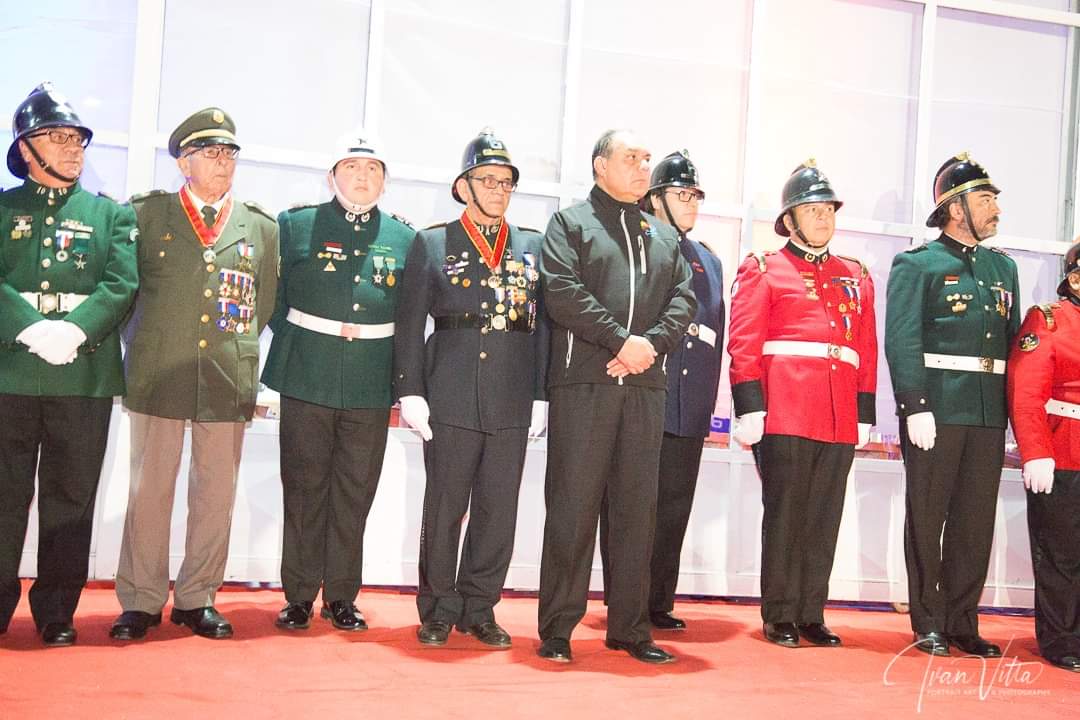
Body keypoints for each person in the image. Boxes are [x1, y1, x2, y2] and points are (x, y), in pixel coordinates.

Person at [109, 107, 279, 641]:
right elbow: (125, 295)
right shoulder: (146, 215)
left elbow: (261, 306)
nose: (222, 162)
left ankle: (197, 596)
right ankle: (141, 600)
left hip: (226, 374)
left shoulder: (260, 226)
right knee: (150, 491)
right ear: (184, 162)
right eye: (210, 153)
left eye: (229, 153)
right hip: (160, 370)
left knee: (215, 494)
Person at [537, 129, 695, 664]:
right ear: (600, 165)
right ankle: (558, 629)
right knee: (572, 509)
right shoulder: (570, 224)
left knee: (636, 512)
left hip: (644, 386)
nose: (642, 167)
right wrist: (619, 340)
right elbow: (562, 291)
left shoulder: (664, 236)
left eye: (646, 159)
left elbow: (683, 301)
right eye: (631, 158)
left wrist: (647, 346)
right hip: (584, 382)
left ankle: (630, 628)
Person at [394, 128, 548, 649]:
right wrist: (411, 390)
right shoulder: (433, 242)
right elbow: (410, 323)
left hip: (511, 394)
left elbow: (543, 326)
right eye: (487, 180)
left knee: (497, 510)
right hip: (451, 392)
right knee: (444, 508)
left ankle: (480, 607)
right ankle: (439, 607)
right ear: (463, 187)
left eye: (506, 182)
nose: (498, 190)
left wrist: (541, 393)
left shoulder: (532, 246)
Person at [0, 83, 138, 646]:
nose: (72, 147)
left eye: (77, 138)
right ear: (26, 148)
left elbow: (121, 282)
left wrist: (75, 330)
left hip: (83, 374)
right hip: (11, 371)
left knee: (71, 499)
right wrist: (30, 327)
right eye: (57, 137)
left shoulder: (111, 215)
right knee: (3, 497)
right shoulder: (3, 208)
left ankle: (56, 609)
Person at [262, 132, 414, 632]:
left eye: (373, 170)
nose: (362, 177)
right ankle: (299, 595)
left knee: (355, 491)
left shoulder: (404, 238)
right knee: (304, 489)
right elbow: (273, 299)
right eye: (351, 167)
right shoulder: (296, 225)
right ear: (332, 177)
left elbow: (409, 314)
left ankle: (342, 596)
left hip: (370, 378)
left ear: (385, 182)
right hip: (308, 372)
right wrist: (300, 342)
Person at [727, 160, 876, 648]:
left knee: (824, 518)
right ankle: (780, 614)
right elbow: (744, 341)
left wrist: (865, 412)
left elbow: (865, 347)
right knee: (786, 515)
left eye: (828, 209)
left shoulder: (855, 275)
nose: (823, 218)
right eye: (811, 210)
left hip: (838, 415)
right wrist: (750, 405)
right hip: (785, 410)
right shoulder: (764, 268)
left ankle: (812, 613)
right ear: (789, 219)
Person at [884, 152, 1019, 657]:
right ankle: (929, 621)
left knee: (974, 523)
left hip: (986, 415)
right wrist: (914, 404)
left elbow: (1009, 344)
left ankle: (963, 621)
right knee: (927, 518)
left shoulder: (1003, 267)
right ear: (955, 208)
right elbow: (902, 338)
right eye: (985, 200)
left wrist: (1010, 416)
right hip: (936, 412)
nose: (995, 209)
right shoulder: (918, 264)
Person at [598, 150, 725, 630]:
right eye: (681, 194)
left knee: (673, 507)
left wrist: (705, 406)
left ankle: (657, 601)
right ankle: (625, 602)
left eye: (695, 195)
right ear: (654, 199)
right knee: (631, 506)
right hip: (642, 393)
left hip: (687, 403)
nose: (691, 203)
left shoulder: (709, 261)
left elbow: (713, 336)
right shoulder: (635, 244)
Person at [1006, 240, 1080, 673]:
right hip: (1063, 453)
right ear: (1075, 279)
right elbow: (1026, 391)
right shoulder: (1048, 320)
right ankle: (1061, 639)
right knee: (1061, 555)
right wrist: (1035, 452)